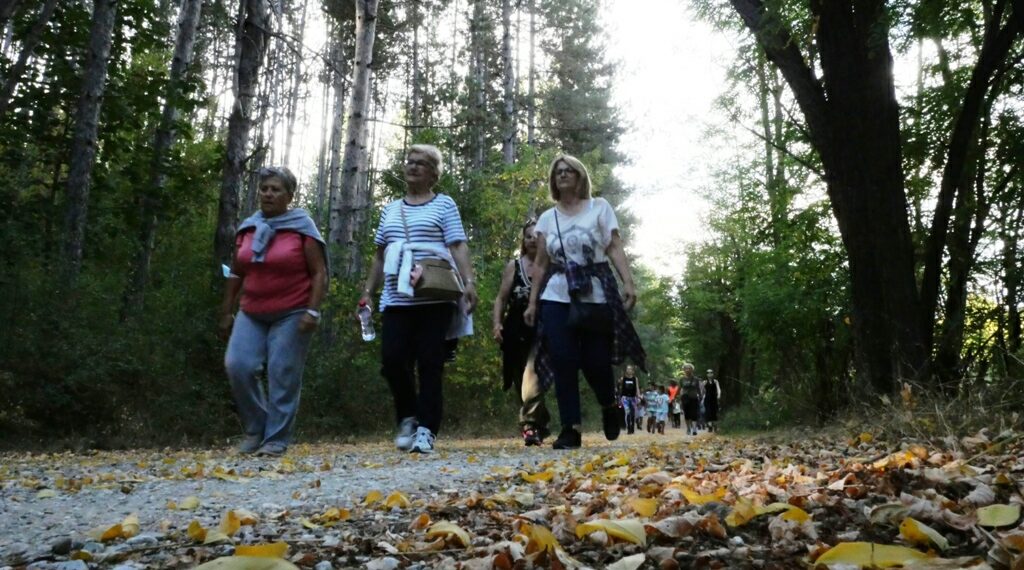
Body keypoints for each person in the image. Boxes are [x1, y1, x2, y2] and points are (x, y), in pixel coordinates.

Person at [358, 144, 478, 454]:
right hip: (397, 297)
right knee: (393, 360)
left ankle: (426, 429)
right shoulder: (391, 209)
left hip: (435, 296)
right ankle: (408, 417)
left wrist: (469, 282)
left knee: (430, 363)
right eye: (409, 162)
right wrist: (367, 292)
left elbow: (458, 246)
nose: (412, 167)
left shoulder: (444, 205)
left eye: (420, 163)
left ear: (433, 173)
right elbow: (380, 254)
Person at [524, 154, 646, 450]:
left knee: (596, 362)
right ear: (554, 181)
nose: (563, 175)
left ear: (580, 177)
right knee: (564, 360)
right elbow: (540, 263)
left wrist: (628, 282)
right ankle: (571, 428)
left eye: (569, 171)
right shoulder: (546, 218)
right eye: (558, 172)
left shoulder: (599, 208)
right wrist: (532, 302)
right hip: (556, 294)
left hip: (595, 293)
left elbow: (614, 247)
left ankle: (608, 405)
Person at [220, 166, 328, 458]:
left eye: (275, 189)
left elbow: (319, 273)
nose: (268, 194)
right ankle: (257, 429)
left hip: (292, 311)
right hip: (252, 310)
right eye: (264, 188)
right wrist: (227, 310)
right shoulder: (248, 227)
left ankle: (276, 439)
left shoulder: (301, 226)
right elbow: (236, 272)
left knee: (282, 372)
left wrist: (313, 311)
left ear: (288, 195)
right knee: (237, 365)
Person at [493, 219, 550, 446]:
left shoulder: (552, 264)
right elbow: (501, 298)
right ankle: (540, 423)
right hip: (516, 327)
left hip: (544, 326)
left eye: (537, 235)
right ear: (523, 242)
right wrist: (497, 324)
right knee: (519, 378)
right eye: (529, 236)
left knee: (533, 373)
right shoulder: (513, 266)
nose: (533, 239)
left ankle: (529, 426)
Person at [680, 364, 703, 436]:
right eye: (686, 368)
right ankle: (688, 428)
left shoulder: (696, 379)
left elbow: (698, 388)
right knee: (687, 414)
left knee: (694, 414)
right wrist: (675, 397)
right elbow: (680, 388)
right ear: (684, 370)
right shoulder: (682, 379)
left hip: (694, 398)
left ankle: (694, 428)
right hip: (685, 399)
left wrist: (700, 395)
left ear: (692, 370)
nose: (687, 370)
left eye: (689, 368)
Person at [618, 365, 640, 435]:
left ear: (632, 371)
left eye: (630, 369)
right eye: (627, 369)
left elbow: (637, 388)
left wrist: (638, 396)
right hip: (625, 398)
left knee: (633, 414)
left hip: (633, 398)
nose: (629, 370)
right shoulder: (623, 378)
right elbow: (620, 387)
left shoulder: (635, 379)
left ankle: (632, 427)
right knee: (627, 413)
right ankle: (629, 428)